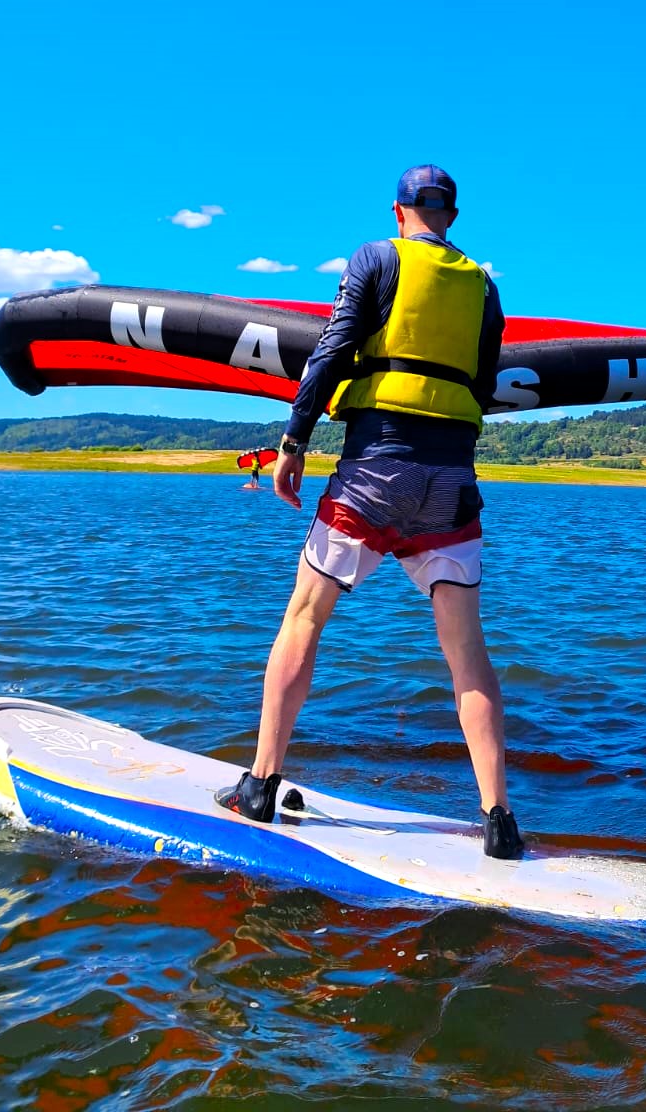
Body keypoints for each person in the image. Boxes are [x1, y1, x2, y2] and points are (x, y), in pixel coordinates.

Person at [215, 164, 524, 859]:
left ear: (398, 211)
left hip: (375, 468)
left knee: (304, 617)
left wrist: (293, 443)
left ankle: (260, 784)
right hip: (451, 478)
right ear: (451, 215)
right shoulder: (483, 287)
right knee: (467, 652)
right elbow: (481, 381)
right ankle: (499, 820)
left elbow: (330, 350)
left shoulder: (376, 259)